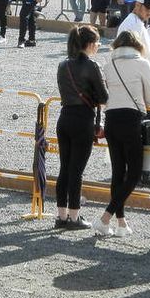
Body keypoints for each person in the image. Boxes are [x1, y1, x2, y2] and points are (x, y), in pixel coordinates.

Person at [94, 30, 150, 239]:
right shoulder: (142, 63)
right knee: (135, 172)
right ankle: (105, 217)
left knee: (118, 171)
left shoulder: (108, 64)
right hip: (131, 119)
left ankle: (120, 223)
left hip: (111, 119)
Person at [54, 26, 109, 230]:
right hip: (83, 120)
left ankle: (61, 215)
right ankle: (74, 217)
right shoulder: (92, 66)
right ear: (91, 44)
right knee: (77, 171)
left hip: (65, 117)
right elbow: (103, 97)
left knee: (64, 169)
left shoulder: (63, 65)